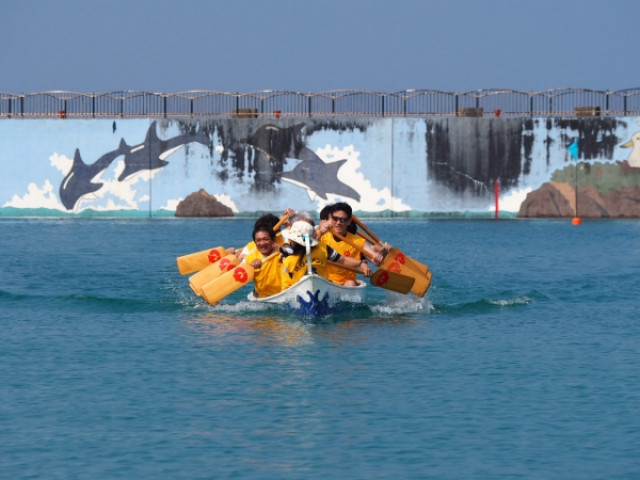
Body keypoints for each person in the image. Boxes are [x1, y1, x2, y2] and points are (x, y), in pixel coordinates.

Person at [280, 219, 367, 290]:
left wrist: (361, 263)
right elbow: (286, 287)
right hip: (299, 288)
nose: (290, 240)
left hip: (322, 286)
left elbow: (342, 260)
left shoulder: (323, 248)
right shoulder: (287, 256)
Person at [317, 202, 384, 286]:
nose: (338, 222)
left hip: (346, 282)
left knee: (350, 283)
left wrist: (381, 254)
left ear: (349, 221)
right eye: (335, 218)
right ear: (331, 219)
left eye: (343, 220)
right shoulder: (321, 236)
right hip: (324, 279)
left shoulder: (358, 241)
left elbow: (375, 260)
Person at [244, 223, 282, 297]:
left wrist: (284, 252)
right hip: (264, 300)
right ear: (255, 242)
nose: (262, 243)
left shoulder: (282, 252)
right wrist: (250, 267)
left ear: (273, 240)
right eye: (258, 240)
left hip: (285, 292)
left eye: (266, 239)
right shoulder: (249, 259)